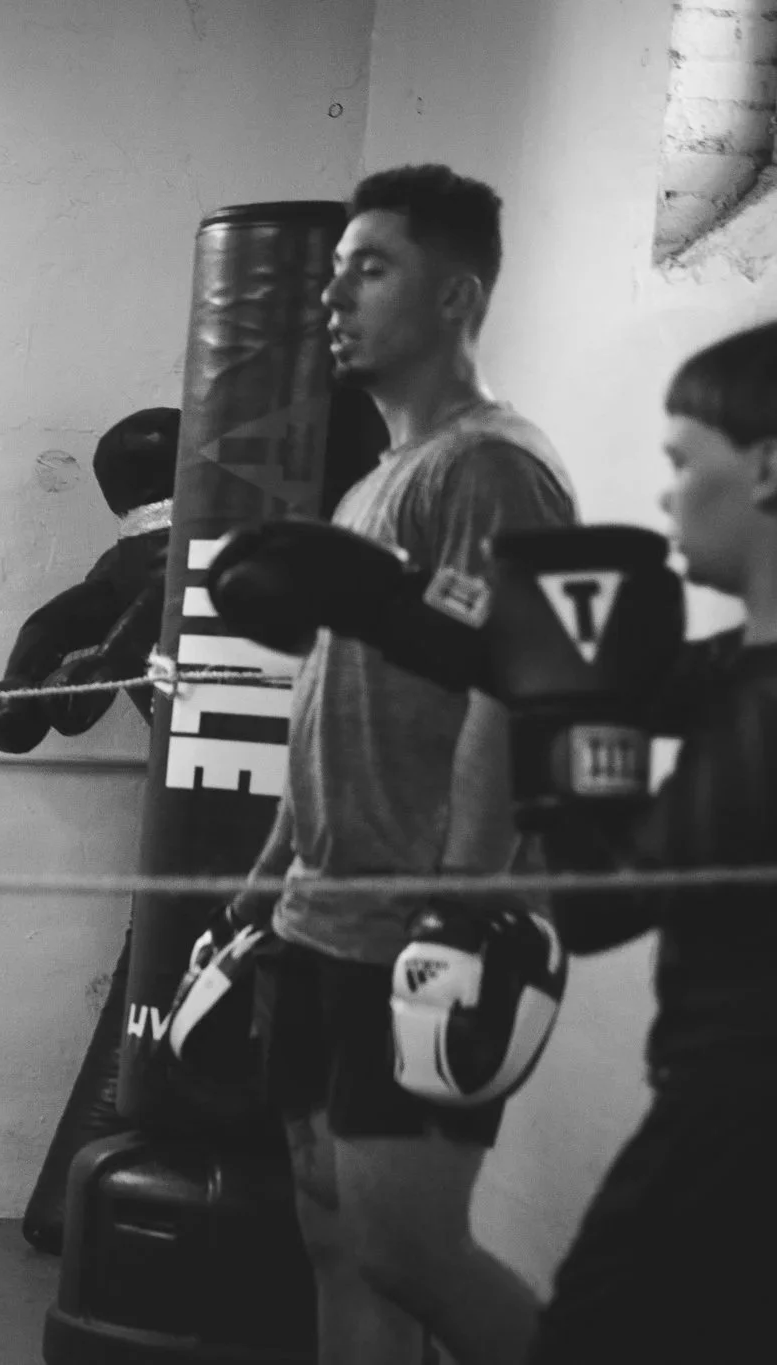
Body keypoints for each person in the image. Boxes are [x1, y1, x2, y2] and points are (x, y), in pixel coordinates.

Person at [220, 165, 579, 1365]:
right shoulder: (378, 480)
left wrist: (463, 904)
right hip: (329, 910)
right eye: (332, 271)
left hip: (421, 927)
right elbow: (342, 692)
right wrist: (275, 862)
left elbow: (511, 686)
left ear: (454, 296)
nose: (334, 294)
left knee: (408, 1248)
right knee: (330, 1229)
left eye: (369, 268)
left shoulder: (489, 468)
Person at [525, 318, 777, 1365]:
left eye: (677, 462)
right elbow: (623, 685)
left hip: (740, 1139)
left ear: (767, 468)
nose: (662, 495)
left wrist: (555, 745)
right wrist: (381, 602)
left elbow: (597, 904)